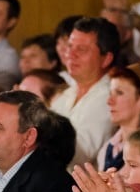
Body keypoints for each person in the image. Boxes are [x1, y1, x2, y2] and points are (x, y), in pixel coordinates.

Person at [50, 17, 120, 167]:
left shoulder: (110, 97)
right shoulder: (67, 93)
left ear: (106, 59)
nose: (70, 54)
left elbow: (80, 155)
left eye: (81, 49)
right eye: (70, 46)